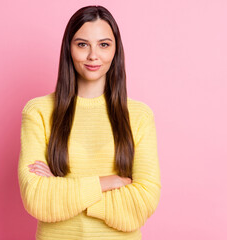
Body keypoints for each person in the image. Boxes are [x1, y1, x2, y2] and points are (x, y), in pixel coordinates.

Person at [18, 5, 162, 240]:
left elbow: (142, 203)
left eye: (104, 44)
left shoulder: (139, 115)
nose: (93, 55)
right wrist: (109, 182)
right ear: (69, 48)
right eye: (82, 44)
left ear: (115, 50)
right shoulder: (39, 112)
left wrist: (64, 191)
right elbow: (37, 198)